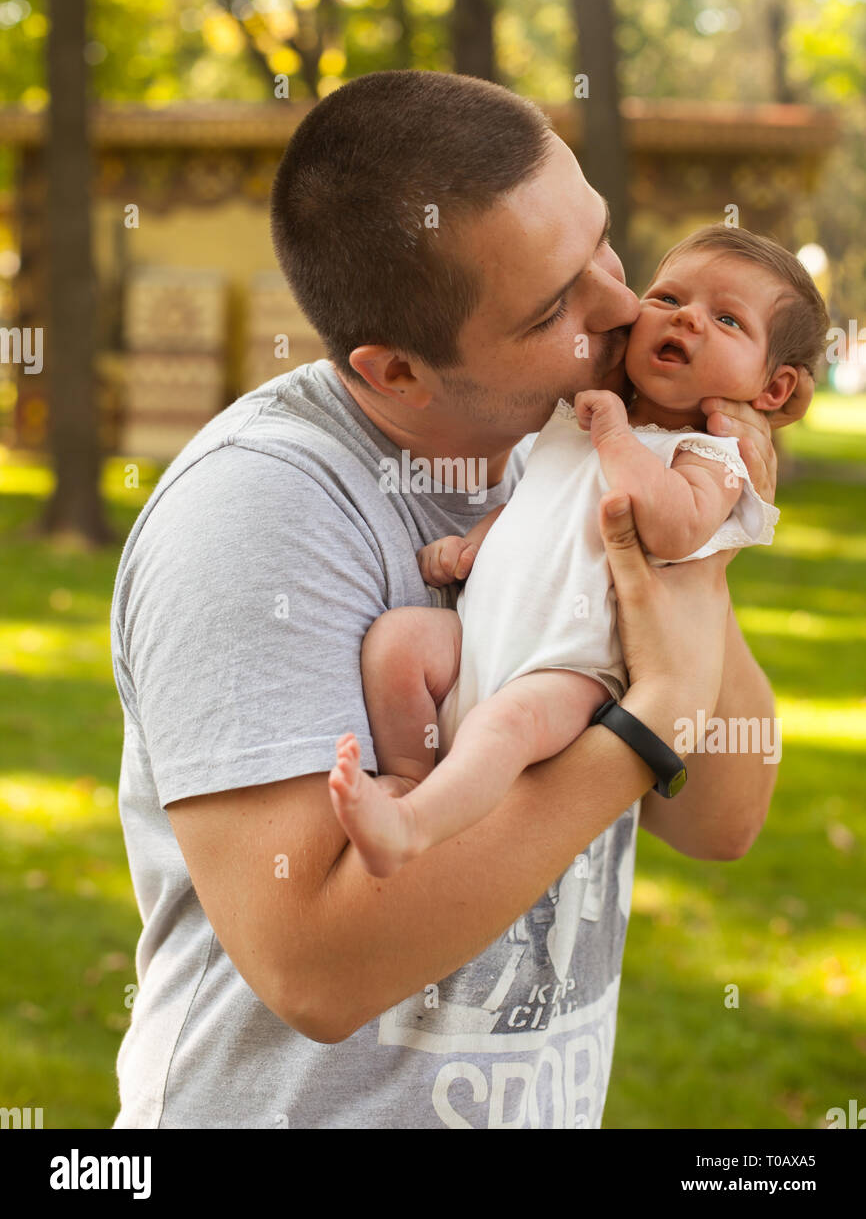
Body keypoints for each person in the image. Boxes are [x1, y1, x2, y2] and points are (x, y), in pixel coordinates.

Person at [110, 70, 811, 1130]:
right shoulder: (258, 514)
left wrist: (698, 543)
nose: (623, 306)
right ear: (396, 371)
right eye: (555, 307)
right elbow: (319, 972)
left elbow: (719, 817)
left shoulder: (567, 441)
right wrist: (649, 711)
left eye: (602, 245)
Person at [328, 226, 829, 879]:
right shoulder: (579, 418)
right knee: (397, 643)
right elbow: (542, 505)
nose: (687, 317)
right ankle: (406, 778)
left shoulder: (714, 456)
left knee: (503, 728)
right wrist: (475, 544)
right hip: (478, 634)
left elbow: (675, 526)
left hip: (571, 669)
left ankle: (413, 828)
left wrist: (617, 436)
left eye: (727, 318)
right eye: (668, 296)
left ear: (773, 389)